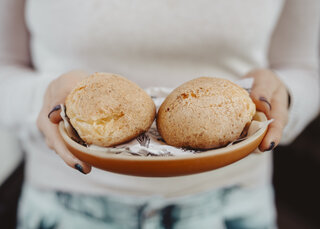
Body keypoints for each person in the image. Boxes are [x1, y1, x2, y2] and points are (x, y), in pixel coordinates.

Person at [0, 0, 319, 228]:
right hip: (66, 208)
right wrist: (43, 100)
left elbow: (305, 68)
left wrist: (283, 96)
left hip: (232, 206)